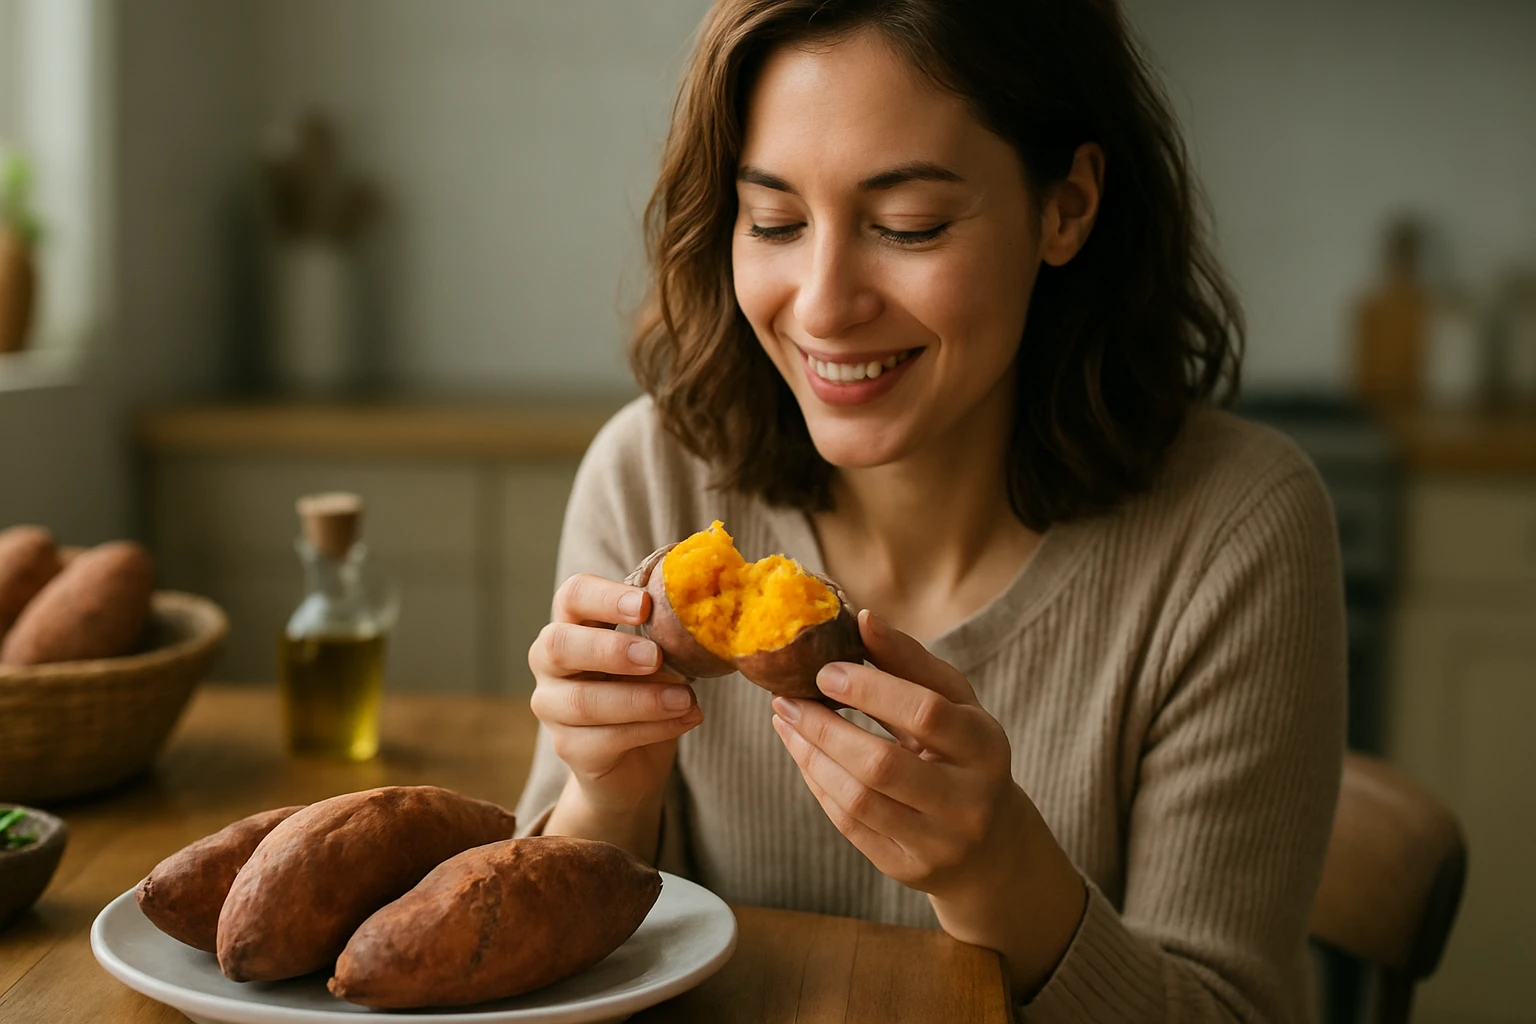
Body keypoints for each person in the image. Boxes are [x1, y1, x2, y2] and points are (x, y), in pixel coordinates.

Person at [515, 1, 1346, 1019]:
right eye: (773, 221)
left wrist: (1005, 882)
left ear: (1066, 206)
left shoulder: (1236, 530)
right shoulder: (651, 477)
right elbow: (534, 966)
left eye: (907, 226)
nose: (822, 304)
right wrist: (610, 796)